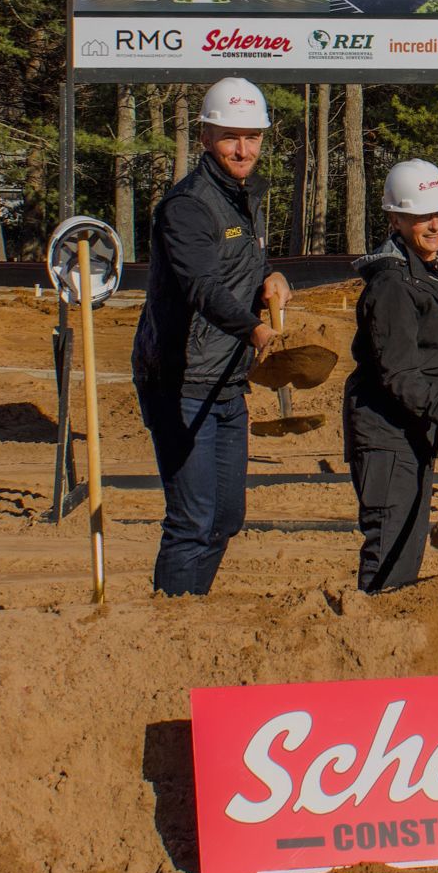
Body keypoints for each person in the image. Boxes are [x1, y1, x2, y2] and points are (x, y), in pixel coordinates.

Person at [131, 77, 291, 596]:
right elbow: (200, 285)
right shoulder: (188, 206)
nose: (242, 150)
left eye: (252, 137)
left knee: (226, 516)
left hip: (226, 382)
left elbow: (243, 264)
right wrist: (257, 330)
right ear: (205, 137)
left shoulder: (244, 198)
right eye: (229, 137)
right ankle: (170, 622)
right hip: (180, 380)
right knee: (192, 521)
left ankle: (188, 609)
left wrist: (272, 276)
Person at [344, 160, 438, 593]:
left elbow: (435, 303)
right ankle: (374, 633)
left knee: (408, 541)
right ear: (396, 218)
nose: (435, 224)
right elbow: (400, 375)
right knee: (390, 546)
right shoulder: (390, 285)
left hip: (413, 429)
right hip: (386, 432)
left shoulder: (432, 269)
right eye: (421, 216)